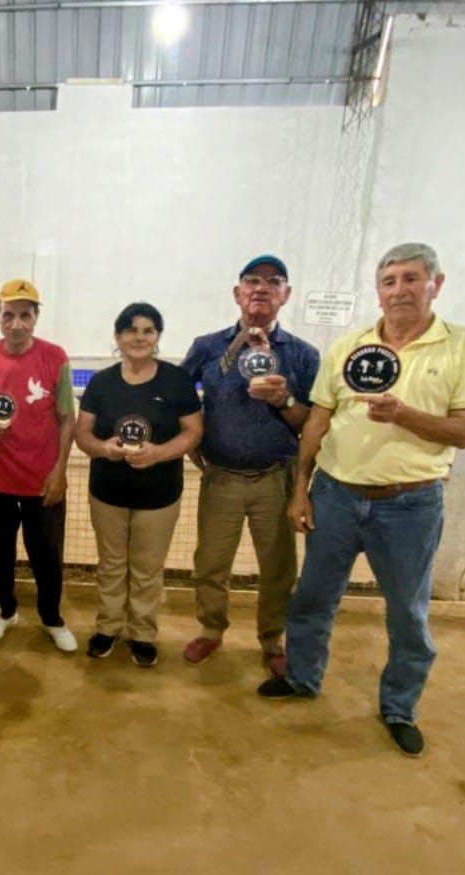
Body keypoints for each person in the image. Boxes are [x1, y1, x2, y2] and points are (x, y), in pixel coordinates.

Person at [257, 243, 465, 758]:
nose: (399, 290)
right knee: (313, 598)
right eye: (389, 281)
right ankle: (302, 678)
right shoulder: (349, 347)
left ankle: (399, 707)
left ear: (436, 283)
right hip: (336, 495)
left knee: (408, 613)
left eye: (411, 279)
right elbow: (318, 422)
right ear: (378, 290)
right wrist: (301, 487)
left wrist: (403, 415)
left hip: (410, 505)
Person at [180, 255, 320, 676]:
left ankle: (272, 638)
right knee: (210, 562)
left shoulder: (301, 355)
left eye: (273, 281)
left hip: (275, 478)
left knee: (278, 566)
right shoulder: (208, 347)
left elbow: (313, 424)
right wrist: (192, 444)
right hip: (220, 476)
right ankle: (210, 629)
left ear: (286, 295)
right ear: (237, 292)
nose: (261, 288)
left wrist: (284, 401)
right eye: (252, 281)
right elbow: (179, 398)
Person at [75, 303, 203, 667]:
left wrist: (159, 453)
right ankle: (108, 627)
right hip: (108, 492)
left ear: (158, 337)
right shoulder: (102, 382)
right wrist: (104, 449)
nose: (139, 337)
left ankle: (143, 634)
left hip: (159, 496)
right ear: (118, 337)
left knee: (147, 568)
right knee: (112, 564)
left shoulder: (175, 381)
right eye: (131, 330)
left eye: (148, 330)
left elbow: (194, 431)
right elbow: (83, 434)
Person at [0, 279, 78, 653]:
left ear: (36, 317)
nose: (17, 323)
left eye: (25, 315)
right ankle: (6, 611)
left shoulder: (55, 357)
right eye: (9, 315)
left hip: (42, 479)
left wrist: (59, 471)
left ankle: (51, 617)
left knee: (46, 552)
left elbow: (67, 417)